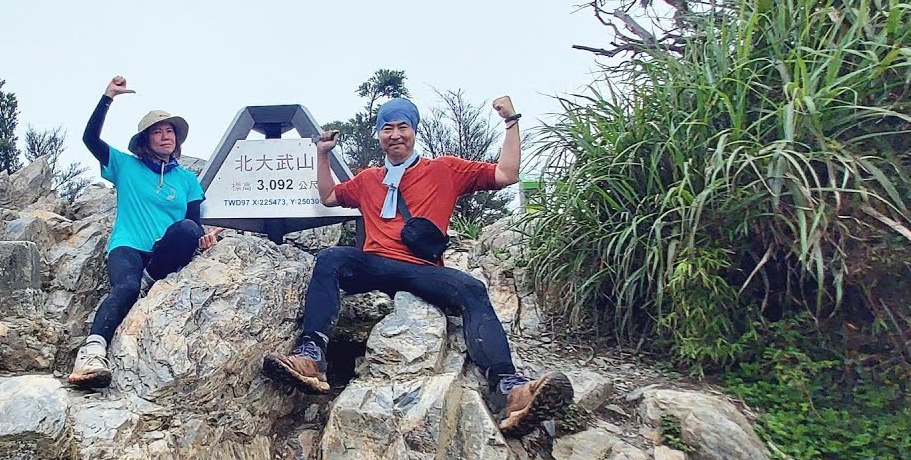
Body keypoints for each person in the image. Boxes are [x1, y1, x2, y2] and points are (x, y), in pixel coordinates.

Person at [262, 96, 572, 437]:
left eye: (402, 127)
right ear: (379, 134)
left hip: (420, 270)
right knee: (331, 258)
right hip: (375, 264)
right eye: (387, 128)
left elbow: (506, 174)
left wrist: (511, 122)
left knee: (472, 289)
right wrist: (322, 154)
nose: (395, 134)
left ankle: (508, 388)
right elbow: (330, 197)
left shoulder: (444, 169)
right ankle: (311, 356)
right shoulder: (368, 179)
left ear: (414, 131)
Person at [65, 76, 220, 389]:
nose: (166, 137)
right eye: (158, 132)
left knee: (188, 229)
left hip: (163, 253)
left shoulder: (188, 180)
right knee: (125, 288)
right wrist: (108, 97)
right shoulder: (125, 165)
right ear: (145, 139)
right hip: (128, 245)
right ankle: (92, 353)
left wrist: (206, 238)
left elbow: (193, 223)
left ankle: (149, 282)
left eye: (170, 131)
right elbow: (90, 139)